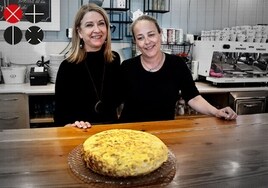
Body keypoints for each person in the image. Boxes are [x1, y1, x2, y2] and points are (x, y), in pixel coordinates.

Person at [119, 15, 237, 123]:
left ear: (160, 34)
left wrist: (216, 112)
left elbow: (193, 97)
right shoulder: (127, 67)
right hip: (131, 134)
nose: (147, 42)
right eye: (140, 38)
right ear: (135, 42)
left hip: (165, 133)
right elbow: (113, 101)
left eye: (151, 34)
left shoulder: (176, 65)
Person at [54, 3, 121, 128]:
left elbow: (117, 100)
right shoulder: (67, 66)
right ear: (79, 32)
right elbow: (59, 116)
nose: (97, 30)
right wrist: (70, 125)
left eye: (101, 23)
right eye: (89, 25)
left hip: (111, 133)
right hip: (82, 132)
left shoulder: (114, 59)